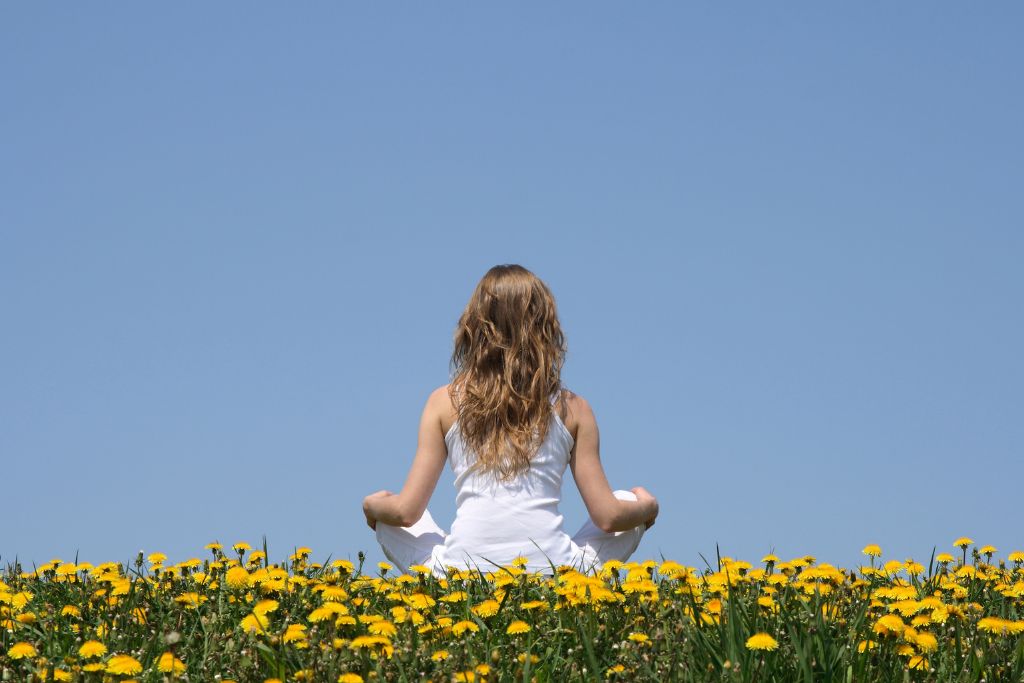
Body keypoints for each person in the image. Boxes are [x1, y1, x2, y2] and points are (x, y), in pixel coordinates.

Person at [362, 264, 659, 577]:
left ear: (474, 325)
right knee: (625, 500)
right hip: (556, 572)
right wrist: (647, 508)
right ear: (545, 327)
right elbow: (609, 517)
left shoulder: (442, 402)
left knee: (391, 518)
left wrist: (373, 507)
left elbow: (407, 513)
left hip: (460, 574)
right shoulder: (575, 408)